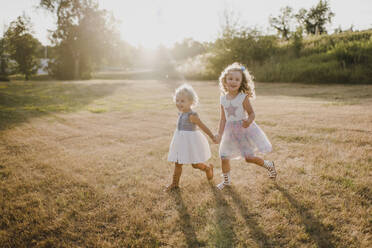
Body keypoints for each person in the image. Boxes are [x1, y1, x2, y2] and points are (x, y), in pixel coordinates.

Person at [214, 62, 277, 190]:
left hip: (242, 130)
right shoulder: (223, 99)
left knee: (249, 158)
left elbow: (252, 113)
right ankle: (226, 181)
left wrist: (248, 121)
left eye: (237, 79)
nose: (233, 81)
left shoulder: (243, 97)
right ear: (225, 80)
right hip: (229, 132)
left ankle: (269, 165)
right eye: (230, 78)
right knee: (224, 156)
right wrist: (220, 133)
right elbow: (223, 118)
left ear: (241, 82)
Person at [166, 83, 215, 190]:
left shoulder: (192, 115)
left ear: (191, 102)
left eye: (182, 101)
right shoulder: (181, 113)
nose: (179, 103)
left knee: (195, 164)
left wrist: (212, 136)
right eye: (177, 100)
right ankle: (175, 184)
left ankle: (207, 168)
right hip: (180, 141)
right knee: (178, 163)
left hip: (191, 142)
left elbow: (203, 126)